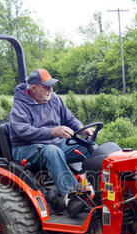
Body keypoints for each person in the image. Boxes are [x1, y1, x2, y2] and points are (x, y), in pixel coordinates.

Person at [9, 68, 92, 217]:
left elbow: (70, 119)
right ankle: (72, 198)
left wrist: (81, 128)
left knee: (89, 147)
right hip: (26, 147)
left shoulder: (54, 98)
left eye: (52, 86)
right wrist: (52, 132)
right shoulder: (20, 105)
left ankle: (99, 192)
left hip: (55, 144)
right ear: (33, 88)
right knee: (52, 151)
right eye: (46, 87)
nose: (51, 90)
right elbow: (23, 131)